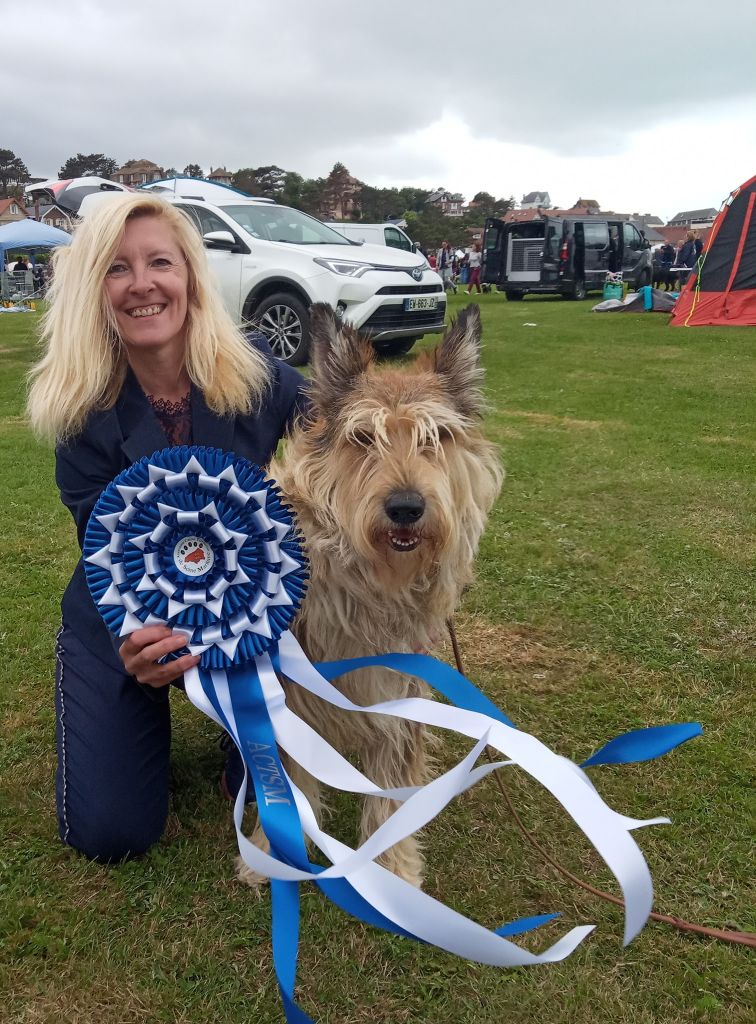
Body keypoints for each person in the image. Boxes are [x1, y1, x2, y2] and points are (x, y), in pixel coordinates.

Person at [27, 193, 309, 863]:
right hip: (125, 623)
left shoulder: (266, 381)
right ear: (92, 290)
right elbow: (106, 555)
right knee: (110, 832)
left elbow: (346, 444)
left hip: (256, 629)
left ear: (190, 276)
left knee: (272, 789)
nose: (143, 284)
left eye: (161, 262)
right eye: (117, 269)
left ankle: (237, 732)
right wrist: (134, 642)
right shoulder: (79, 414)